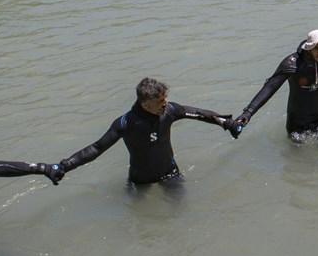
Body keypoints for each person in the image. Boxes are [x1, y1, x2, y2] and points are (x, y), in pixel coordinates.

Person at [57, 77, 232, 185]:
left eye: (165, 98)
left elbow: (200, 114)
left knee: (180, 216)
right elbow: (96, 148)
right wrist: (65, 166)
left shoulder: (169, 111)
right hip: (141, 181)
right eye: (159, 101)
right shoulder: (126, 123)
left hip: (170, 173)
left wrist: (227, 123)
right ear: (145, 104)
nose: (165, 103)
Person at [227, 30, 318, 141]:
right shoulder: (291, 64)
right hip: (296, 121)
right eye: (317, 48)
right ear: (309, 47)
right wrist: (248, 113)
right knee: (297, 161)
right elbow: (270, 88)